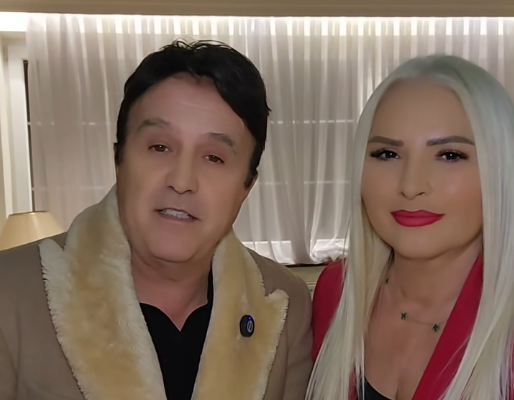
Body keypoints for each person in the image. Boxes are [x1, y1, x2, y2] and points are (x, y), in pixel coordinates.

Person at [0, 40, 313, 400]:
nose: (181, 181)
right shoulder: (11, 293)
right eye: (159, 147)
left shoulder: (285, 302)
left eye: (214, 158)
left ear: (247, 186)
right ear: (119, 159)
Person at [307, 54, 514, 400]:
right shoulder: (336, 291)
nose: (411, 185)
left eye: (449, 155)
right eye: (387, 154)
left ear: (501, 170)